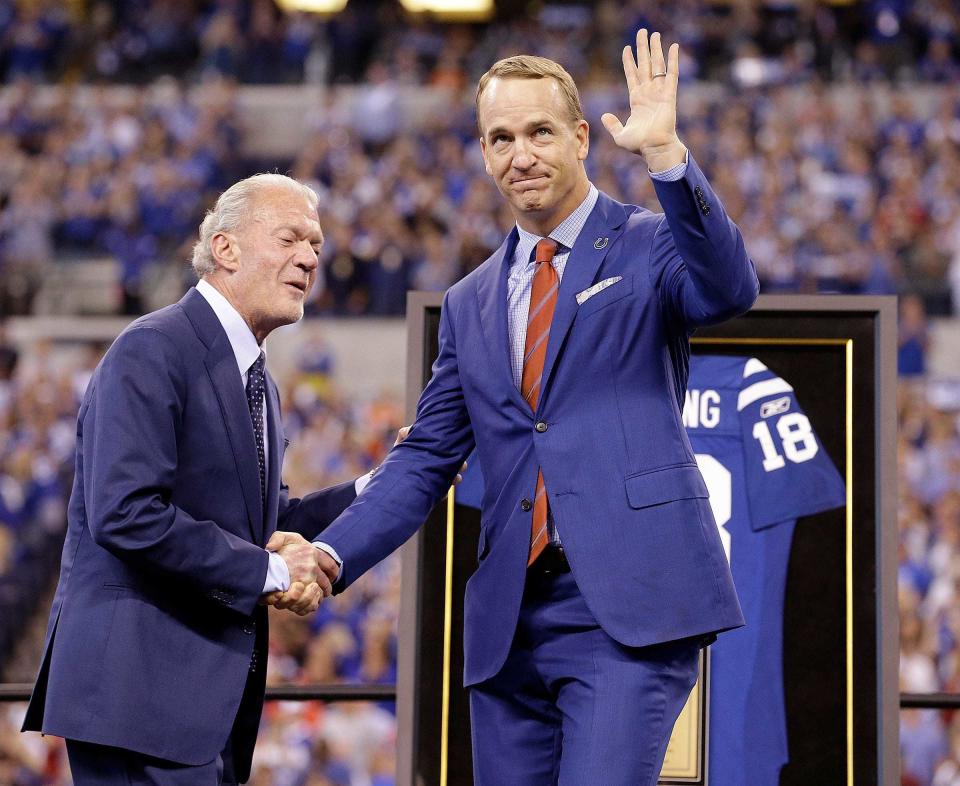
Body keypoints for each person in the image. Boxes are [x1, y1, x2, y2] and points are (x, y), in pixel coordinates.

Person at [278, 31, 759, 785]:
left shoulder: (647, 244)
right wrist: (331, 556)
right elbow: (426, 457)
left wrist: (666, 154)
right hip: (508, 627)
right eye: (500, 138)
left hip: (625, 615)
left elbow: (731, 289)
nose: (520, 155)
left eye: (539, 133)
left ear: (578, 138)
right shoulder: (467, 302)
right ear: (481, 152)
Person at [21, 173, 371, 785]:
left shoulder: (259, 379)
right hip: (137, 699)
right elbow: (127, 512)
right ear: (226, 249)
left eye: (316, 245)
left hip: (197, 708)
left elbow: (266, 526)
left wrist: (378, 487)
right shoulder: (152, 348)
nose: (310, 258)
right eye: (290, 238)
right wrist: (269, 572)